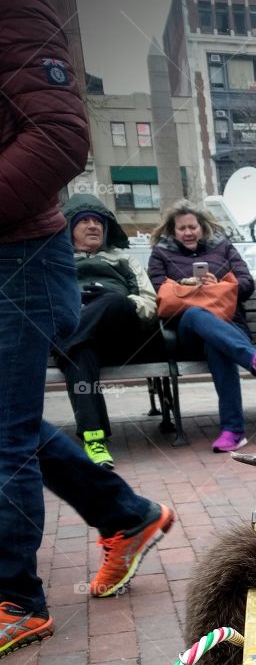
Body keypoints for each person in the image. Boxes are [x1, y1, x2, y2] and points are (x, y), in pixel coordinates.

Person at [0, 0, 175, 659]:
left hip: (18, 260)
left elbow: (59, 136)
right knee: (8, 427)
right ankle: (125, 515)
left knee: (4, 435)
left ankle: (15, 599)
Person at [147, 200, 256, 452]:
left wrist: (218, 285)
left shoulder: (223, 247)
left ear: (202, 226)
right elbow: (157, 290)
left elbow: (247, 284)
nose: (188, 232)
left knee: (217, 346)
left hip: (229, 325)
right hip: (188, 332)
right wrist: (187, 285)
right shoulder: (161, 254)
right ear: (172, 231)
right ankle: (255, 360)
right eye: (181, 228)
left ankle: (233, 432)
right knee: (195, 313)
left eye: (192, 227)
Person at [53, 193, 164, 466]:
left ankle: (66, 344)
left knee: (113, 300)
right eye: (85, 221)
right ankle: (94, 439)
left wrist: (111, 302)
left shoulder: (124, 260)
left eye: (98, 222)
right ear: (70, 227)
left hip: (126, 337)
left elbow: (149, 303)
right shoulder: (58, 264)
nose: (93, 226)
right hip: (84, 341)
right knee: (79, 354)